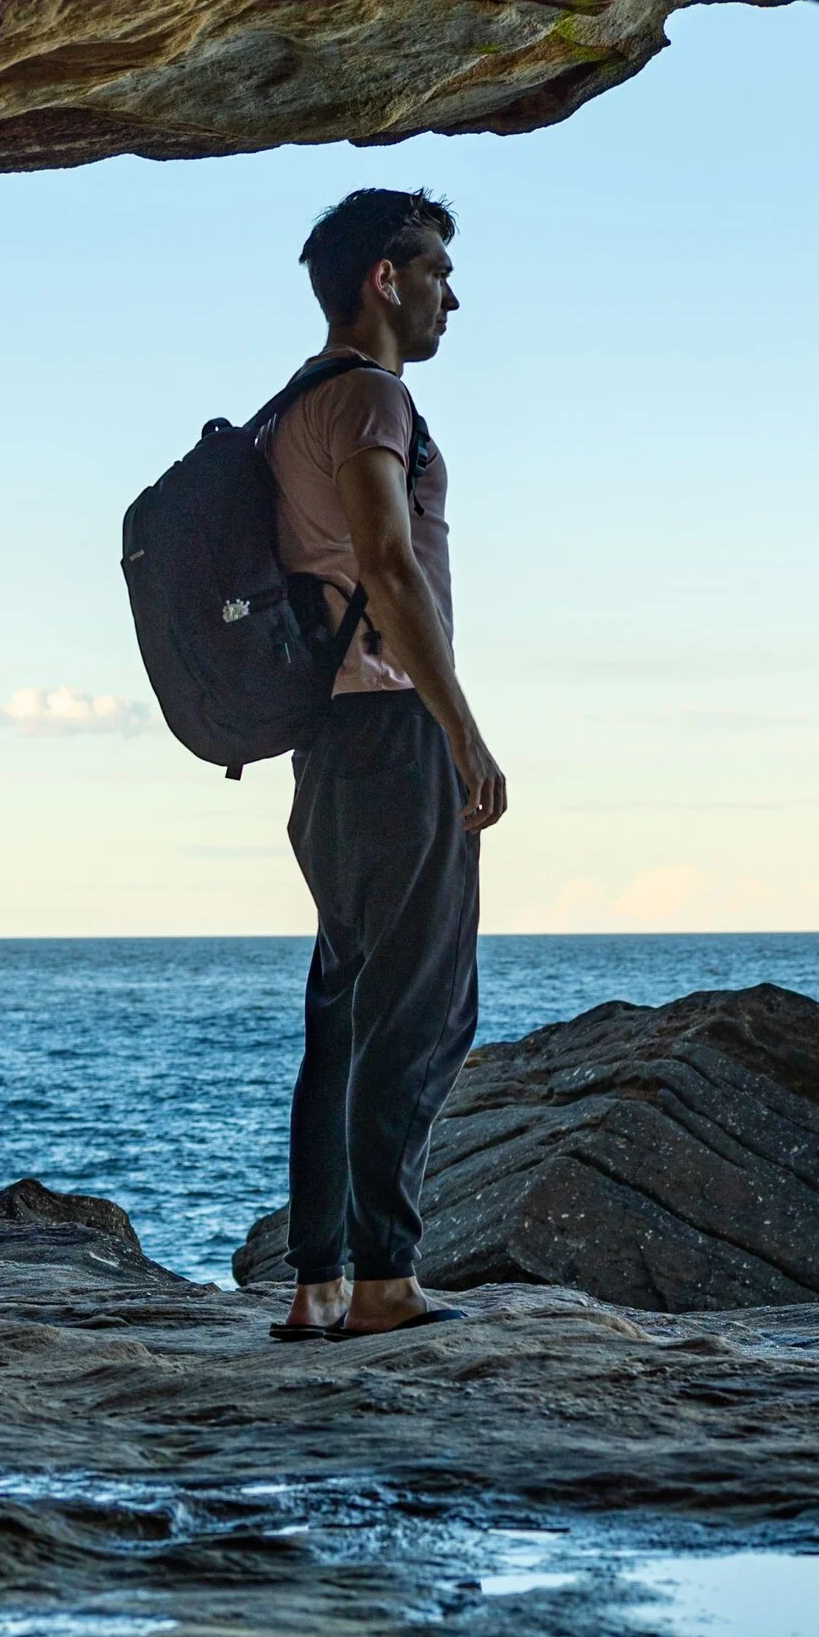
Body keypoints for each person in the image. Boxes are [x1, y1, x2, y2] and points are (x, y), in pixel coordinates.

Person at [260, 185, 506, 1341]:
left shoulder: (292, 404)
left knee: (345, 1011)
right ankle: (386, 1282)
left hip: (328, 742)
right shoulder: (369, 396)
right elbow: (389, 568)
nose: (453, 294)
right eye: (438, 270)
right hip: (388, 726)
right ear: (384, 279)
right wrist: (462, 727)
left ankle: (318, 1284)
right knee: (419, 1010)